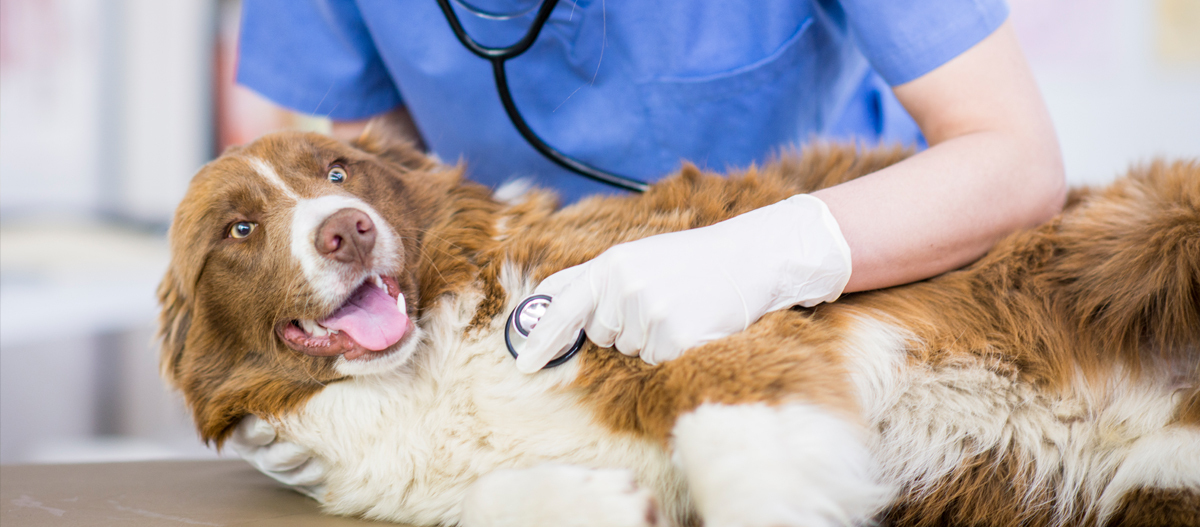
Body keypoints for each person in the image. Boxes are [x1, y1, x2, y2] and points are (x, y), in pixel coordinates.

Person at [228, 0, 1065, 496]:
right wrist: (341, 398)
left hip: (857, 303)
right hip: (539, 345)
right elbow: (387, 183)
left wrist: (763, 256)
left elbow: (1016, 156)